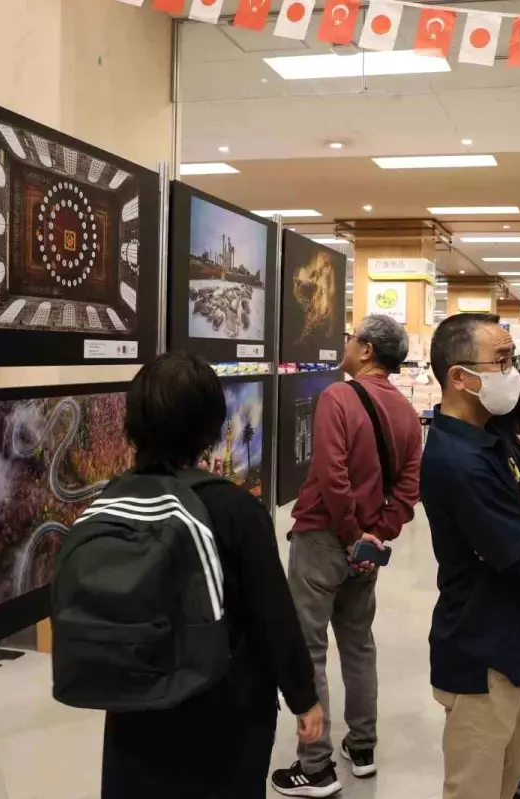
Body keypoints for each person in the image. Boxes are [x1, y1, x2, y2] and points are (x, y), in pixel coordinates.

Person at [101, 352, 322, 799]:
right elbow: (272, 615)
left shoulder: (112, 501)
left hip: (136, 701)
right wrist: (303, 696)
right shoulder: (235, 510)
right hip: (224, 705)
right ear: (211, 425)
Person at [271, 315, 423, 797]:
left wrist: (353, 531)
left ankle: (314, 767)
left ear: (368, 351)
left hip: (322, 539)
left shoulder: (338, 397)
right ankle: (362, 748)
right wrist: (376, 535)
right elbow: (409, 487)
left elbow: (332, 475)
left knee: (311, 649)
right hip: (366, 550)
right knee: (359, 645)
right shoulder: (405, 411)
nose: (347, 344)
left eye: (353, 338)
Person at [421, 312, 520, 799]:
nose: (513, 373)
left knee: (516, 759)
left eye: (512, 359)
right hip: (480, 650)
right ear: (459, 377)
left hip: (516, 641)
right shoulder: (456, 462)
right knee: (475, 784)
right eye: (501, 361)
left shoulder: (493, 434)